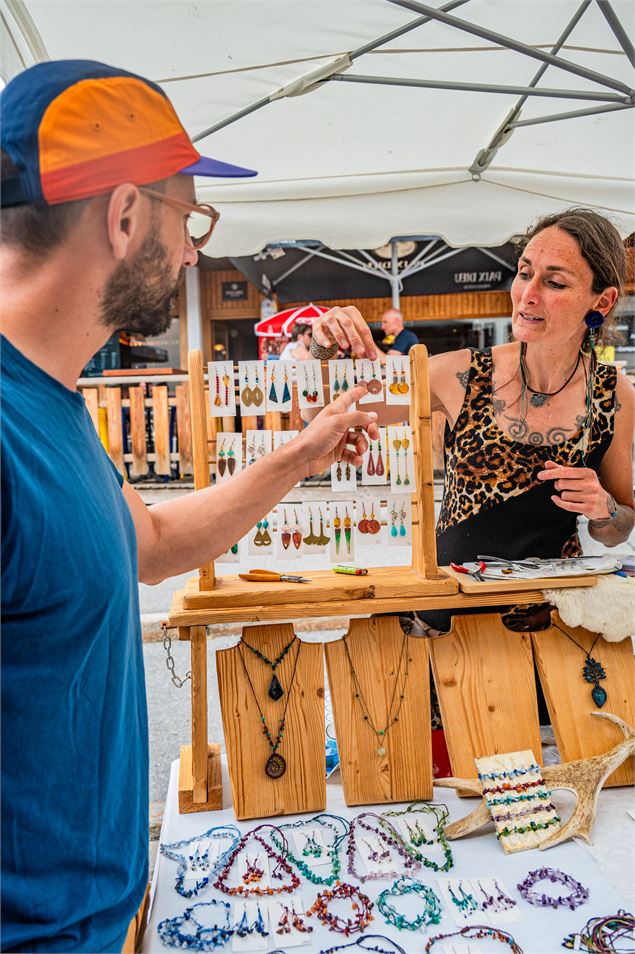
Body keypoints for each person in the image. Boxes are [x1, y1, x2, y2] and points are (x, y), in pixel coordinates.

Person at [0, 60, 378, 953]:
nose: (193, 252)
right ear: (124, 214)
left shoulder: (52, 405)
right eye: (188, 219)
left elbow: (153, 542)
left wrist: (299, 453)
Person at [310, 209, 634, 637]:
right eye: (524, 273)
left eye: (554, 282)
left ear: (602, 300)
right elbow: (322, 419)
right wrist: (321, 348)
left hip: (549, 624)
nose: (527, 294)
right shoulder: (461, 372)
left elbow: (619, 528)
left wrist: (603, 509)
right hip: (448, 618)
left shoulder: (613, 394)